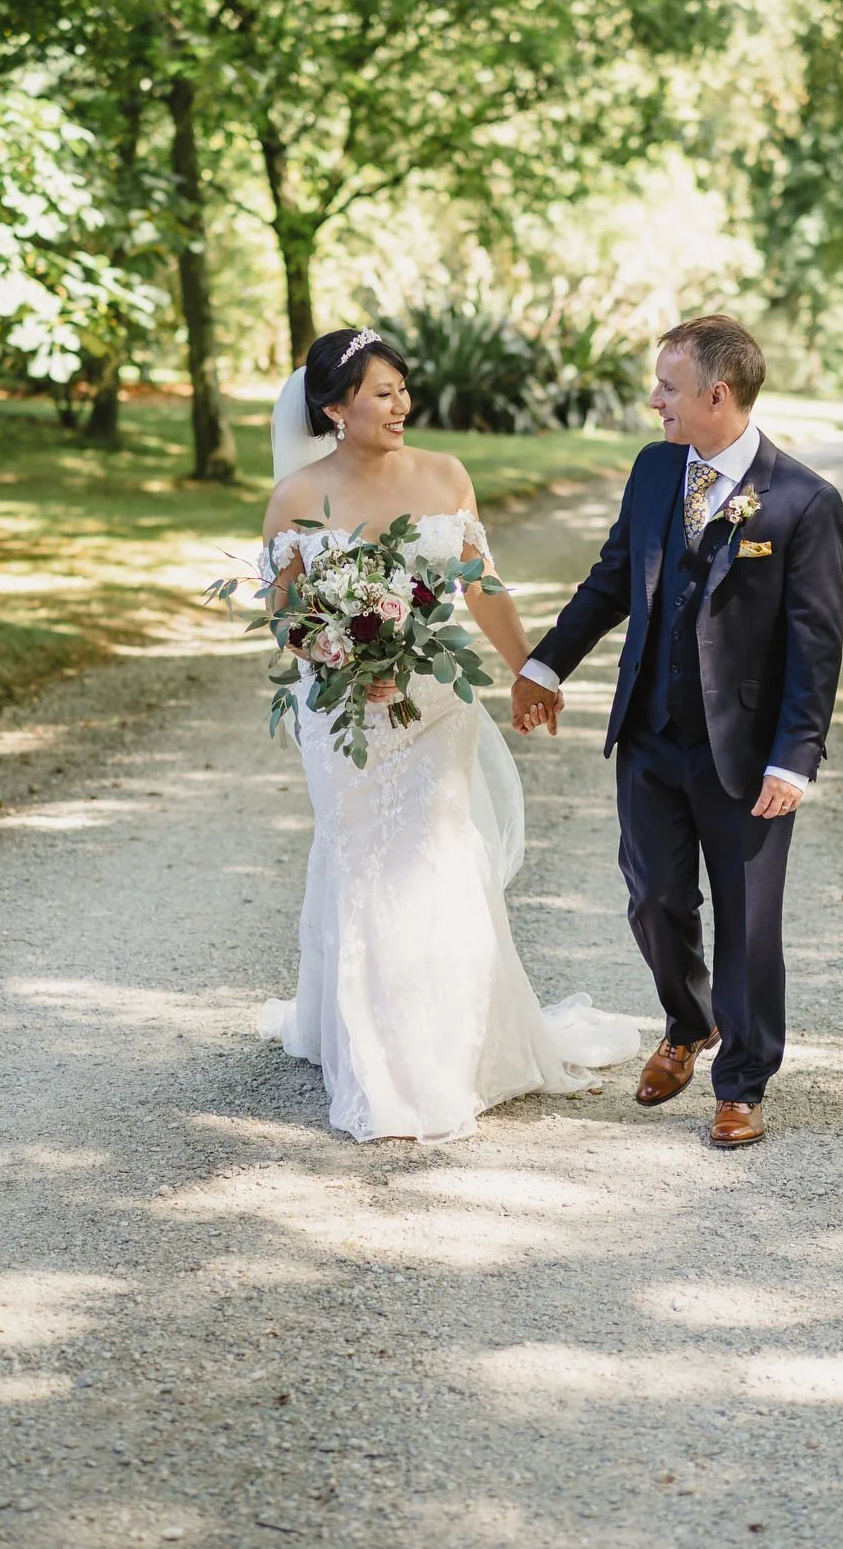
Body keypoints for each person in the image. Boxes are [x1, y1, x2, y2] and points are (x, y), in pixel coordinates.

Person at [255, 327, 639, 1143]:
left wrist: (532, 670)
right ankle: (376, 1059)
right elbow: (284, 617)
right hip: (347, 712)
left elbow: (481, 585)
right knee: (360, 856)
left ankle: (456, 1050)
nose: (400, 405)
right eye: (381, 393)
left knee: (436, 856)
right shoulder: (295, 498)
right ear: (334, 406)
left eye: (402, 389)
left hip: (434, 704)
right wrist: (348, 656)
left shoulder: (444, 475)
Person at [511, 315, 843, 1149]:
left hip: (747, 752)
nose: (654, 399)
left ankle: (742, 1083)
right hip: (652, 733)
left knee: (746, 919)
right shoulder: (656, 470)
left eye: (667, 385)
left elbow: (816, 644)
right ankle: (688, 1024)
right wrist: (547, 664)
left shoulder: (803, 500)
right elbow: (613, 578)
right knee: (655, 899)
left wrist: (795, 759)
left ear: (716, 394)